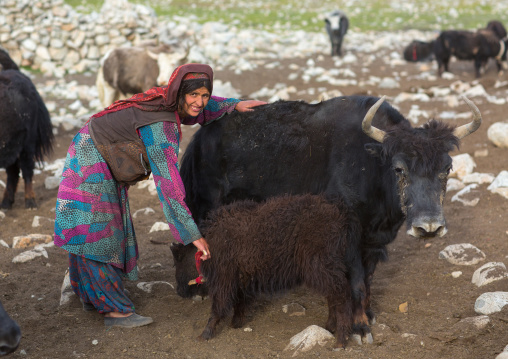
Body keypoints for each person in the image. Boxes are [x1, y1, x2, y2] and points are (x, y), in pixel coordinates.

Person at [54, 63, 266, 328]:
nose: (199, 102)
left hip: (96, 152)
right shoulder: (161, 127)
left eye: (205, 95)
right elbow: (169, 187)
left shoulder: (165, 101)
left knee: (90, 228)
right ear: (180, 92)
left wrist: (234, 105)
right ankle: (114, 311)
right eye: (193, 95)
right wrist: (192, 234)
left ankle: (91, 296)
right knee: (99, 231)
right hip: (90, 161)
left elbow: (200, 107)